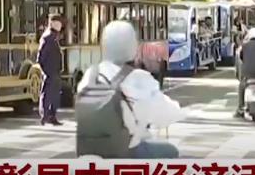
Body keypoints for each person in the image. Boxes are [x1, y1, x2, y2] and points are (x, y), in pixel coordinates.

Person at [76, 20, 185, 158]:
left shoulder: (90, 74)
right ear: (132, 47)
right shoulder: (138, 78)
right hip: (125, 151)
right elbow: (165, 114)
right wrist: (178, 110)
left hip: (87, 151)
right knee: (170, 151)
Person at [37, 14, 64, 126]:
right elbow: (41, 55)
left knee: (55, 94)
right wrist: (45, 69)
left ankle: (52, 116)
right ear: (52, 23)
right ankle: (45, 115)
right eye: (58, 23)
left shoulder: (54, 36)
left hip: (55, 70)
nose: (60, 25)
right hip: (50, 70)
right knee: (47, 93)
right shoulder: (47, 37)